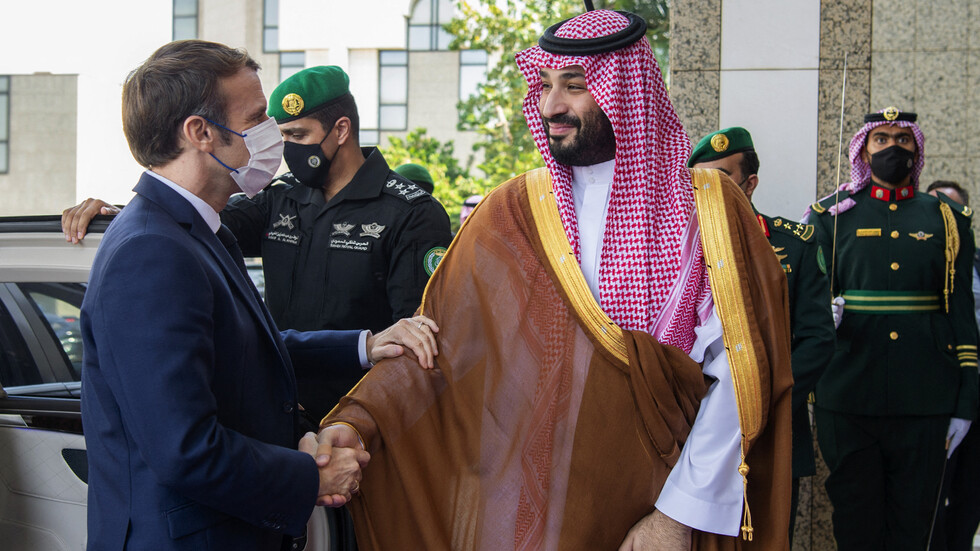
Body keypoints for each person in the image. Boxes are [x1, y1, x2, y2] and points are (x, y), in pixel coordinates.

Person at [315, 9, 793, 550]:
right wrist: (360, 422)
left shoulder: (707, 208)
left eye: (575, 86)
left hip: (665, 500)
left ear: (627, 91)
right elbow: (442, 348)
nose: (550, 106)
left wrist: (675, 518)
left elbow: (737, 375)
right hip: (543, 508)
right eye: (543, 85)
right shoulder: (513, 210)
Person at [81, 40, 381, 551]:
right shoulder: (151, 250)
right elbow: (185, 448)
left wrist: (305, 438)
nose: (271, 134)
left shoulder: (200, 231)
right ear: (200, 132)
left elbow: (246, 356)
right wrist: (311, 477)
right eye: (257, 117)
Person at [62, 65, 452, 421]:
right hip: (281, 416)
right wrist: (120, 213)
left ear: (341, 130)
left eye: (298, 135)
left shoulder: (410, 213)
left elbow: (414, 344)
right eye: (282, 136)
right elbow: (190, 222)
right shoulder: (278, 199)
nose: (287, 149)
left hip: (364, 422)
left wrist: (358, 422)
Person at [806, 107, 978, 550]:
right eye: (880, 139)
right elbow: (808, 301)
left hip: (926, 395)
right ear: (863, 150)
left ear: (916, 150)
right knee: (856, 521)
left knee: (913, 523)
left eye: (902, 140)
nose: (892, 148)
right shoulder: (831, 216)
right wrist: (826, 315)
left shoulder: (948, 219)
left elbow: (961, 316)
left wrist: (966, 401)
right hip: (848, 394)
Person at [689, 127, 835, 541]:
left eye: (721, 178)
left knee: (767, 537)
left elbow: (818, 339)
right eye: (699, 180)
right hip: (692, 423)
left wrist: (762, 398)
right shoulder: (676, 249)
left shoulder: (795, 244)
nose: (708, 189)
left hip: (771, 424)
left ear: (749, 183)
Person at [925, 181, 980, 551]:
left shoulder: (974, 261)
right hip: (935, 392)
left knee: (971, 489)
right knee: (931, 491)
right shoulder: (915, 262)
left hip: (975, 390)